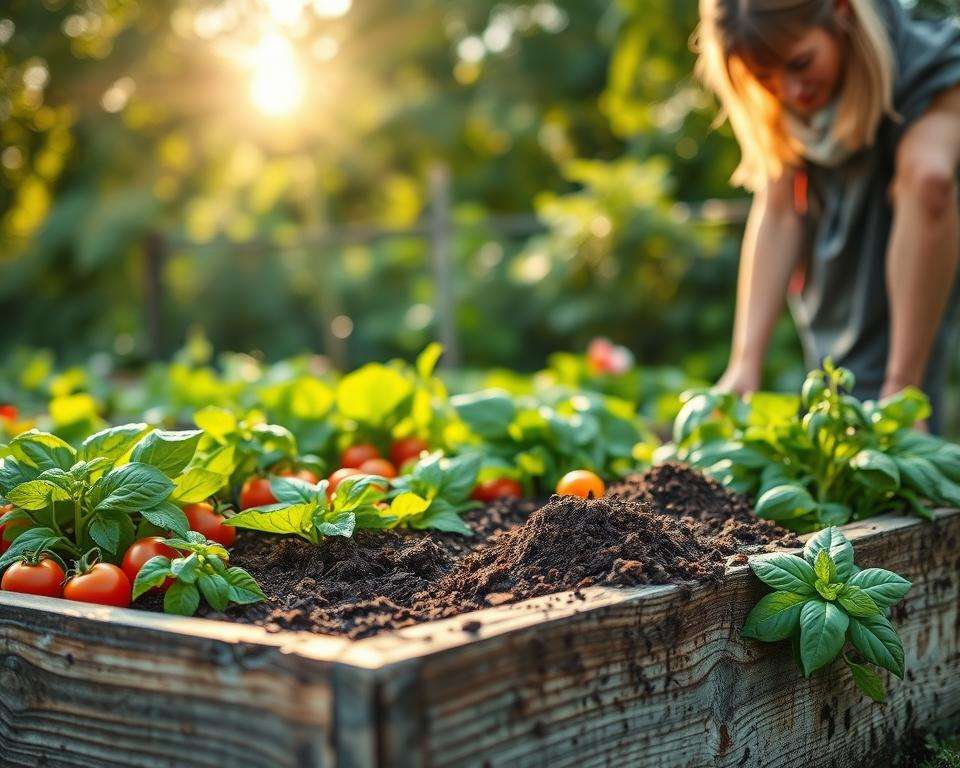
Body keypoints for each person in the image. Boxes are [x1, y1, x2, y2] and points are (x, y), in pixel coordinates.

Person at [696, 0, 960, 432]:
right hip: (834, 276)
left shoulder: (933, 65)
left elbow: (930, 183)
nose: (792, 91)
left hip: (918, 257)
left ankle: (905, 394)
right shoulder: (783, 82)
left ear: (842, 12)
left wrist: (901, 392)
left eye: (801, 63)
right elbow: (778, 211)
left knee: (927, 178)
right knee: (841, 413)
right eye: (767, 78)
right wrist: (745, 364)